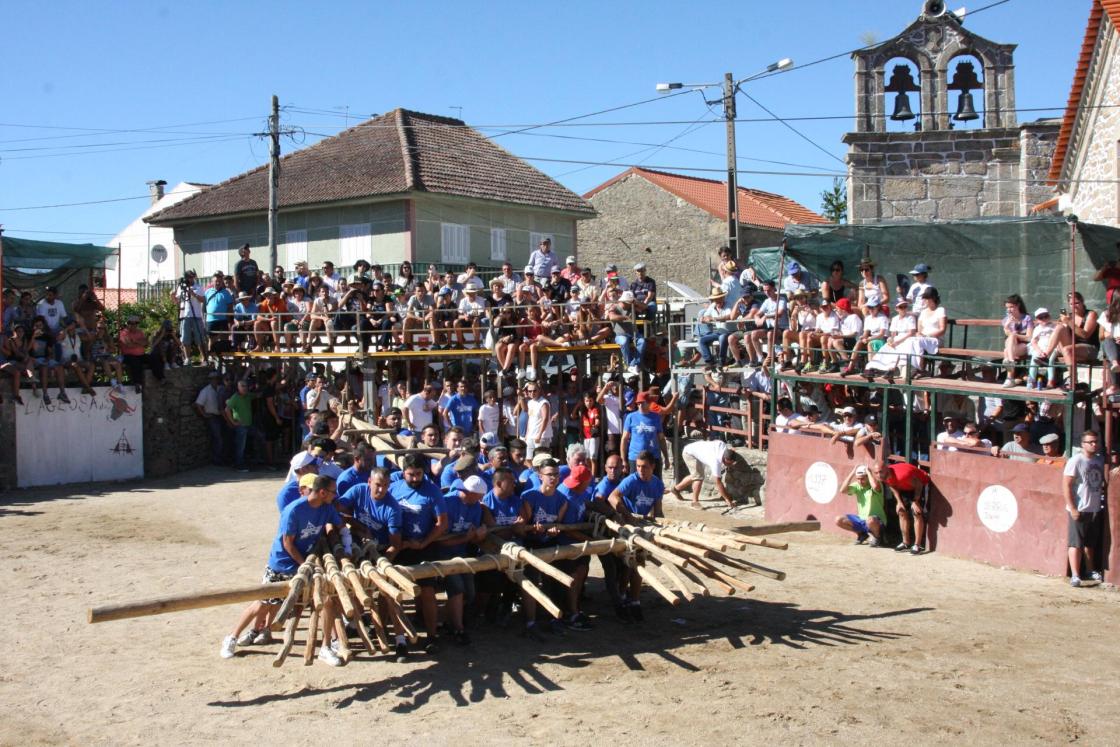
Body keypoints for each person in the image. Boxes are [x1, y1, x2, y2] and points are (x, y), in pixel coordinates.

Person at [220, 474, 343, 665]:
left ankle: (327, 647)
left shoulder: (326, 508)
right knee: (263, 604)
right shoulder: (294, 510)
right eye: (333, 492)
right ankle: (232, 637)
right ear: (322, 492)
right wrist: (305, 565)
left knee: (325, 602)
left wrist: (345, 540)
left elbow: (339, 524)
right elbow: (288, 543)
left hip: (304, 563)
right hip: (283, 563)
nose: (335, 495)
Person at [391, 454, 448, 650]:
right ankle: (400, 638)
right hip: (399, 546)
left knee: (427, 591)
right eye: (410, 474)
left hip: (423, 547)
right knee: (395, 592)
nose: (415, 478)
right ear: (403, 472)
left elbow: (442, 523)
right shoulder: (394, 488)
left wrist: (424, 543)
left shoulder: (432, 491)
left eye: (418, 474)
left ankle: (432, 636)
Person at [607, 450, 664, 621]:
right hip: (628, 526)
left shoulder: (657, 484)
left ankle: (634, 599)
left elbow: (658, 510)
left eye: (644, 467)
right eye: (638, 466)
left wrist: (660, 528)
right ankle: (624, 596)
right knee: (628, 564)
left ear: (652, 467)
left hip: (644, 526)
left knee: (639, 562)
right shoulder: (631, 480)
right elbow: (612, 497)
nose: (640, 470)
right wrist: (625, 513)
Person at [438, 475, 489, 645]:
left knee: (469, 593)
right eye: (479, 496)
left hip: (462, 553)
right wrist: (467, 538)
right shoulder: (447, 503)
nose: (481, 499)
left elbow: (472, 537)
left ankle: (446, 621)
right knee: (457, 589)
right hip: (443, 554)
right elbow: (441, 540)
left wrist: (478, 537)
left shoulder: (476, 507)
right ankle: (458, 629)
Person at [1064, 431, 1105, 587]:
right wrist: (1073, 507)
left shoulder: (1100, 460)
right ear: (1083, 444)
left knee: (1089, 543)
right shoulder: (1076, 461)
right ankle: (1075, 574)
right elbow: (1066, 485)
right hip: (1079, 507)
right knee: (1076, 543)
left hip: (1094, 507)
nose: (1094, 444)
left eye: (1095, 441)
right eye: (1090, 442)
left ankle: (1089, 570)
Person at [670, 437, 740, 509]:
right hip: (689, 453)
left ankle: (676, 489)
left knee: (695, 475)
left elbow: (725, 448)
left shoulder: (723, 446)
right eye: (729, 464)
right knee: (698, 477)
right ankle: (694, 502)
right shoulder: (715, 461)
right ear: (725, 459)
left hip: (696, 450)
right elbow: (718, 482)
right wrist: (727, 499)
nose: (730, 465)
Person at [881, 462, 930, 554]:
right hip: (904, 487)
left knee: (917, 512)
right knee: (901, 511)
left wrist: (915, 501)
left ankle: (917, 545)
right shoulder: (882, 475)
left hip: (920, 485)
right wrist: (899, 502)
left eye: (880, 472)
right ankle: (905, 542)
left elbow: (919, 485)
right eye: (876, 473)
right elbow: (891, 485)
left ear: (886, 470)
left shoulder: (902, 474)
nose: (878, 475)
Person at [835, 464, 886, 546]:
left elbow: (876, 487)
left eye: (862, 478)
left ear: (867, 477)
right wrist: (852, 473)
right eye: (858, 479)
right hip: (862, 520)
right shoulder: (857, 485)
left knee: (870, 520)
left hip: (876, 521)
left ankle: (877, 537)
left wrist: (869, 473)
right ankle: (862, 534)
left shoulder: (877, 484)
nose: (860, 481)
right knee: (839, 520)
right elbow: (842, 490)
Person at [622, 390, 664, 476]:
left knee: (654, 484)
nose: (640, 405)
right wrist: (623, 460)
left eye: (642, 403)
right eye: (638, 403)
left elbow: (661, 438)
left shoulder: (655, 417)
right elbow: (624, 439)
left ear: (648, 403)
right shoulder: (631, 417)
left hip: (653, 456)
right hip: (635, 457)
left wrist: (666, 458)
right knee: (634, 484)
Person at [224, 379, 259, 472]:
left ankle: (249, 461)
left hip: (249, 425)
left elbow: (257, 395)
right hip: (241, 426)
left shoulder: (248, 396)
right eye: (242, 386)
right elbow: (227, 409)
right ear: (238, 387)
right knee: (240, 446)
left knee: (257, 438)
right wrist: (233, 422)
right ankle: (238, 465)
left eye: (245, 386)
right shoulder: (235, 397)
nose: (244, 388)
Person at [173, 270, 208, 362]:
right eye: (188, 277)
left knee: (199, 338)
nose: (190, 279)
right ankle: (187, 358)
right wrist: (172, 295)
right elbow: (176, 301)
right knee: (185, 338)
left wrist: (193, 294)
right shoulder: (181, 287)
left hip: (196, 315)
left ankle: (204, 357)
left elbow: (202, 300)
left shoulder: (199, 287)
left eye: (192, 276)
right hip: (185, 315)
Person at [194, 371, 228, 465]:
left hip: (221, 415)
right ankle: (217, 459)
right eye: (213, 379)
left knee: (223, 438)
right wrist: (204, 414)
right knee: (218, 438)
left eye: (216, 378)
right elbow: (198, 404)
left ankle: (222, 458)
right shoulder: (205, 391)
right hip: (212, 417)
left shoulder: (221, 388)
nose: (215, 380)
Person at [1000, 294, 1033, 387]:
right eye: (1007, 308)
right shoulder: (1006, 320)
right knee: (1010, 339)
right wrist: (1007, 326)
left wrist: (1015, 335)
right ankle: (1011, 362)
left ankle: (1009, 378)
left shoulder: (1027, 318)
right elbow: (1007, 335)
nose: (1009, 310)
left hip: (1022, 346)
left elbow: (1029, 337)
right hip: (1012, 346)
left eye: (1011, 307)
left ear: (1018, 305)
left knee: (1006, 351)